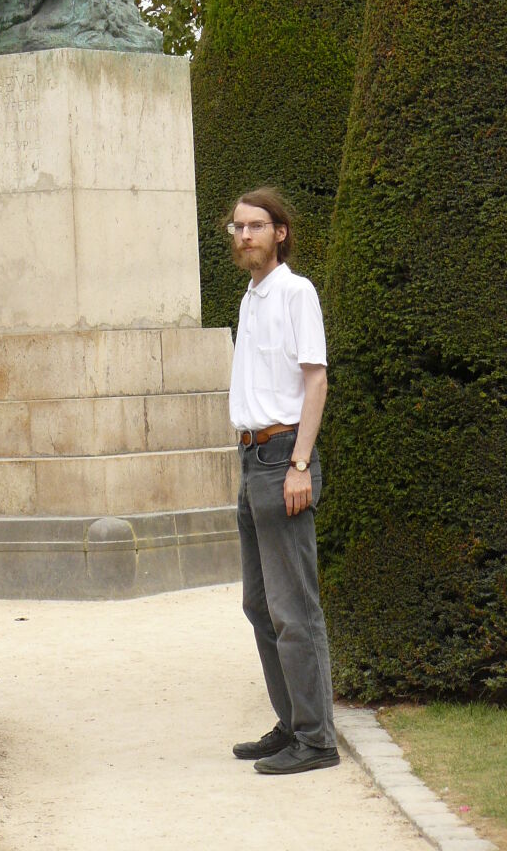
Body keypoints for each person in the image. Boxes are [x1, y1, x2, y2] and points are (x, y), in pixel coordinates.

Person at [226, 187, 340, 775]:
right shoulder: (249, 298)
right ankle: (293, 721)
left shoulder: (296, 292)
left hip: (282, 461)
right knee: (258, 603)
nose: (244, 235)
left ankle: (317, 741)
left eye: (256, 226)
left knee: (295, 607)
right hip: (251, 464)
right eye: (237, 227)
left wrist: (299, 464)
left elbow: (314, 380)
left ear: (280, 233)